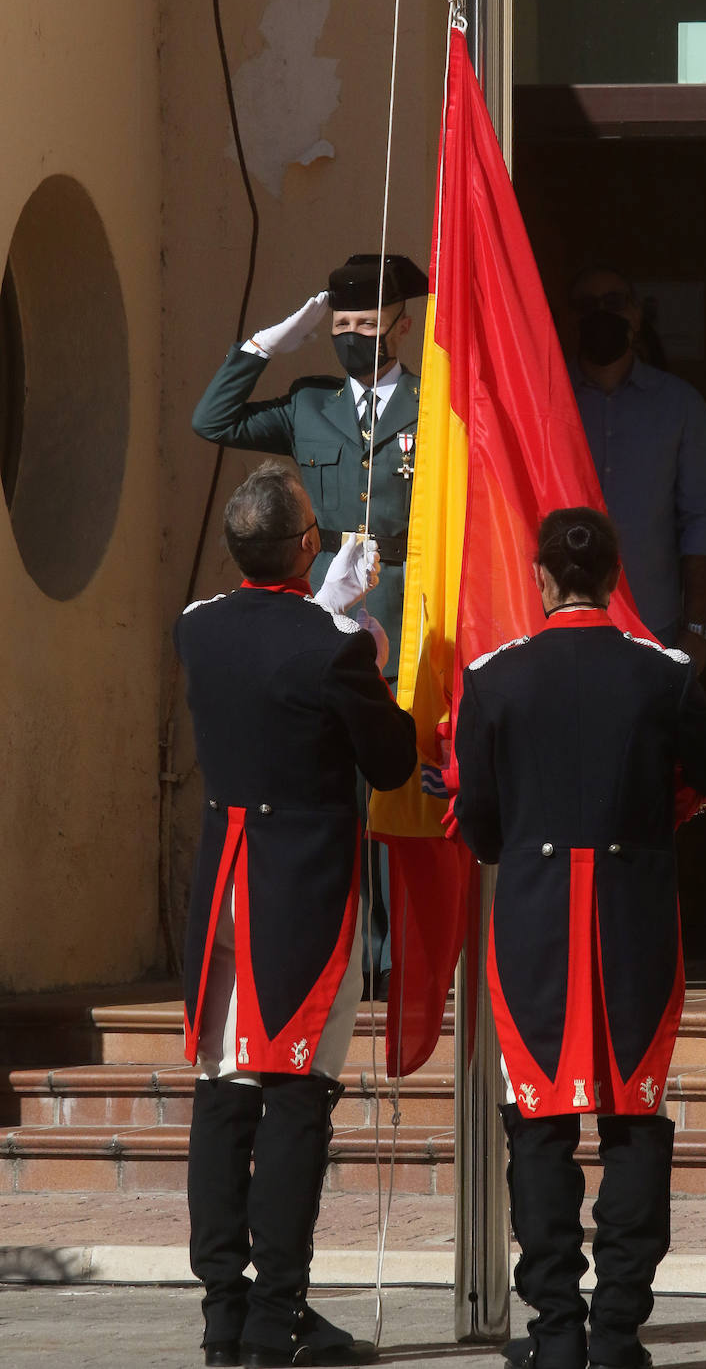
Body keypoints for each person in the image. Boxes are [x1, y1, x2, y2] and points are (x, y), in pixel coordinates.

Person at [454, 507, 706, 1369]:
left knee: (539, 1122)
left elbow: (478, 821)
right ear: (616, 578)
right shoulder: (660, 673)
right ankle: (618, 1331)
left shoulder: (494, 677)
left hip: (537, 918)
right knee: (632, 1117)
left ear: (543, 578)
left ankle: (555, 1333)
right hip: (630, 918)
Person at [175, 461, 417, 1369]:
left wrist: (325, 613)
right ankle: (276, 1312)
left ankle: (222, 1313)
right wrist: (360, 642)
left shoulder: (195, 628)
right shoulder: (332, 646)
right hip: (303, 887)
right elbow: (390, 762)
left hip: (225, 885)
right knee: (295, 1098)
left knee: (224, 1093)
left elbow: (251, 643)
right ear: (308, 547)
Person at [192, 252, 428, 1000]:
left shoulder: (432, 403)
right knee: (328, 790)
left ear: (402, 323)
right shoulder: (311, 403)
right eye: (343, 324)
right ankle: (345, 949)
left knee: (387, 793)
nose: (354, 336)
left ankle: (392, 959)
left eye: (368, 323)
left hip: (400, 604)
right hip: (322, 604)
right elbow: (213, 421)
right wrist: (264, 345)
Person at [567, 266, 706, 670]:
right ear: (571, 319)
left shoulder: (680, 406)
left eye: (614, 303)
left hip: (652, 627)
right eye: (587, 306)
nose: (601, 315)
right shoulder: (545, 401)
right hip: (558, 624)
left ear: (636, 315)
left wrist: (697, 627)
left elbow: (701, 518)